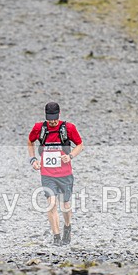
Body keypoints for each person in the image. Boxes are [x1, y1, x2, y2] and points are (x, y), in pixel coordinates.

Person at [27, 102, 84, 245]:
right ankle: (56, 237)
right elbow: (30, 142)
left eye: (54, 118)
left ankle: (67, 226)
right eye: (49, 118)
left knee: (65, 205)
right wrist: (33, 159)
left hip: (65, 174)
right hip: (47, 174)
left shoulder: (69, 128)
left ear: (59, 114)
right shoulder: (39, 128)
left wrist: (70, 156)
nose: (52, 121)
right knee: (51, 204)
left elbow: (80, 145)